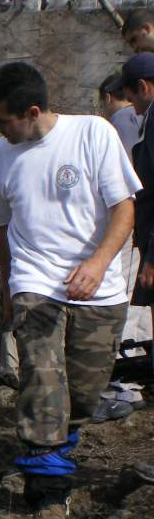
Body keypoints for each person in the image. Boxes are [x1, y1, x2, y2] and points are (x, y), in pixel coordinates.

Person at [0, 62, 140, 519]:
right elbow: (1, 231)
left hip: (101, 285)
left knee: (85, 394)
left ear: (32, 111)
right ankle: (47, 492)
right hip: (36, 283)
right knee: (43, 378)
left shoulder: (93, 134)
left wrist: (97, 263)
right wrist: (11, 289)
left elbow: (124, 208)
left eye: (3, 120)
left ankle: (52, 453)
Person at [99, 72, 153, 353]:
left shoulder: (116, 123)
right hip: (143, 217)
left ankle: (127, 365)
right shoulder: (143, 116)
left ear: (108, 98)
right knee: (142, 291)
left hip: (126, 213)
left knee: (125, 289)